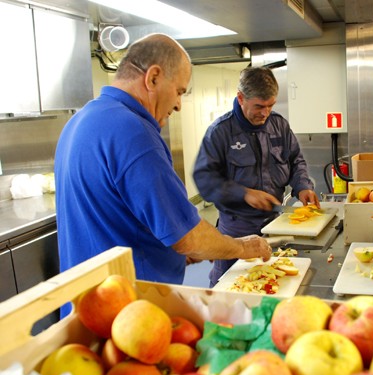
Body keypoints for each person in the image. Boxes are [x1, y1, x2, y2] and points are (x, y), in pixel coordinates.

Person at [54, 33, 272, 300]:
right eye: (179, 91)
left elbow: (117, 217)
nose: (179, 104)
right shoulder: (133, 132)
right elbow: (188, 236)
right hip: (130, 309)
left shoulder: (82, 121)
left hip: (86, 306)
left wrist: (173, 251)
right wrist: (243, 247)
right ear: (153, 77)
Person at [193, 66, 319, 287]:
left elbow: (295, 159)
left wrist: (302, 186)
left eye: (270, 105)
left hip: (277, 224)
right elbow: (205, 180)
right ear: (241, 98)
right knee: (229, 288)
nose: (265, 113)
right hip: (236, 230)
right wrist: (244, 194)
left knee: (273, 283)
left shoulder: (279, 125)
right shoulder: (221, 132)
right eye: (259, 106)